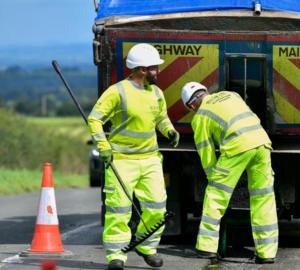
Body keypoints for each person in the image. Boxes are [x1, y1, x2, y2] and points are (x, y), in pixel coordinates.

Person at [88, 43, 180, 270]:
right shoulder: (117, 91)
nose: (156, 72)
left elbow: (160, 118)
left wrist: (169, 130)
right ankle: (116, 255)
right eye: (152, 68)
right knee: (119, 209)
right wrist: (103, 146)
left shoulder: (156, 93)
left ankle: (146, 246)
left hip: (150, 160)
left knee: (157, 207)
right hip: (121, 160)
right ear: (139, 69)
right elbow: (95, 119)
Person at [181, 82, 278, 264]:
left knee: (215, 196)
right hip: (262, 143)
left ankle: (206, 247)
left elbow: (206, 152)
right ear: (206, 92)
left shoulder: (200, 116)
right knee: (263, 198)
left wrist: (214, 179)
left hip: (237, 147)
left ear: (192, 105)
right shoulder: (231, 95)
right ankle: (266, 253)